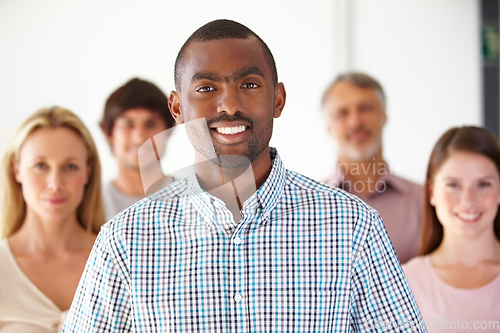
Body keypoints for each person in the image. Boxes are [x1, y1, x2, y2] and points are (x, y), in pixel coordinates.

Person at [63, 19, 425, 332]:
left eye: (249, 84)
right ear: (177, 107)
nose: (230, 105)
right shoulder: (125, 241)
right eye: (206, 88)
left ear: (278, 99)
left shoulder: (352, 227)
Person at [0, 106, 105, 332]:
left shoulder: (116, 260)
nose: (55, 183)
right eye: (40, 166)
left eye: (70, 166)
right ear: (16, 170)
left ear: (87, 172)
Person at [403, 126, 500, 332]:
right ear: (431, 192)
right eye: (453, 185)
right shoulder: (404, 284)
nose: (468, 200)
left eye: (483, 184)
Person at [322, 72, 423, 263]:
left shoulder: (425, 201)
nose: (355, 122)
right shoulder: (306, 206)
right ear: (329, 126)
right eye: (342, 113)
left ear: (384, 116)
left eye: (365, 109)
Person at [100, 77, 177, 220]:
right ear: (108, 132)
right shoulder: (89, 205)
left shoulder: (195, 199)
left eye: (150, 124)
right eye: (128, 125)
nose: (139, 138)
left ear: (169, 130)